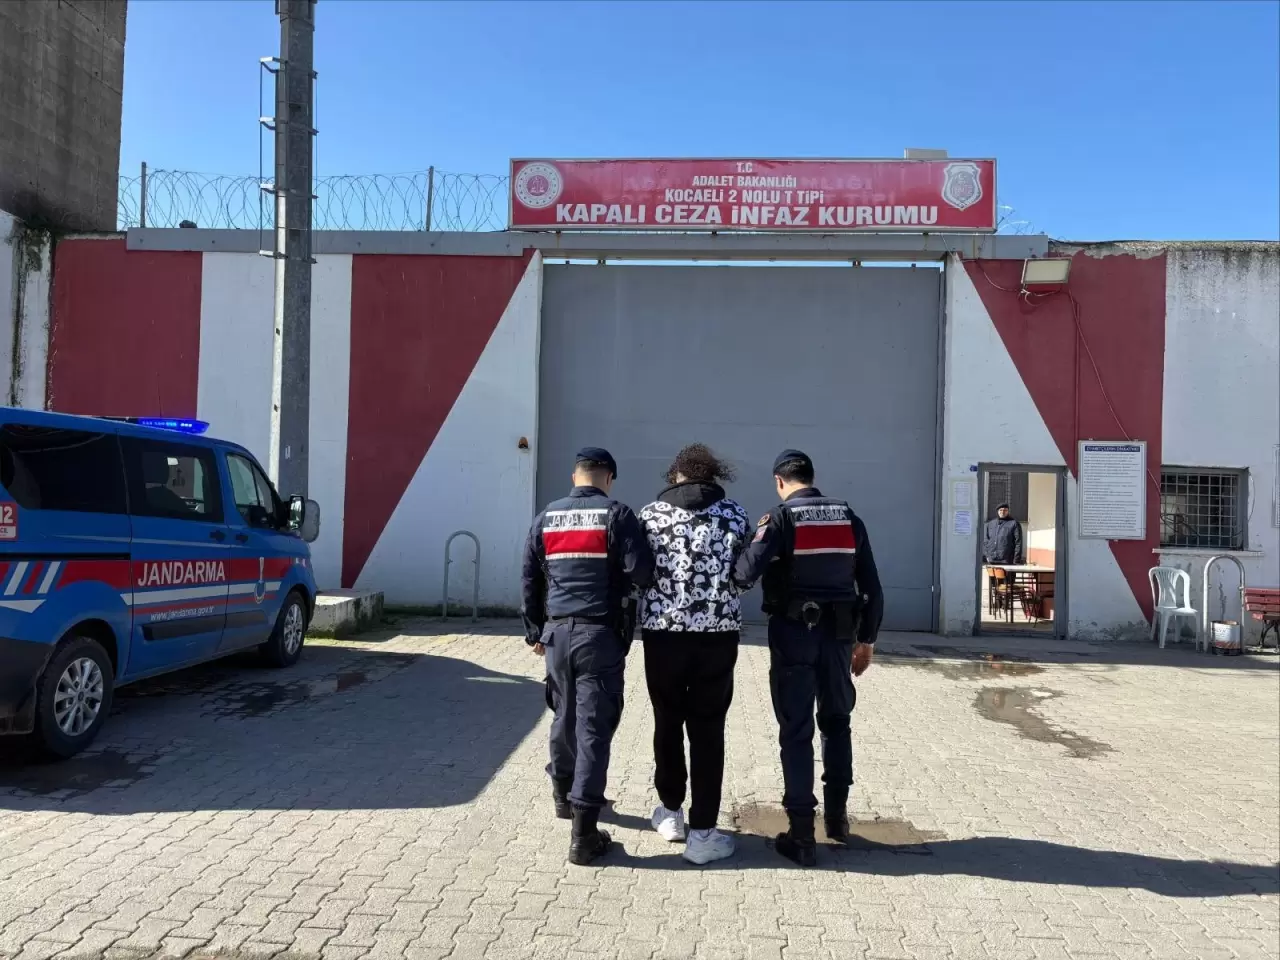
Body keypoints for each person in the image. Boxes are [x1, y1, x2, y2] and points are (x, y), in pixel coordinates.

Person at [733, 449, 884, 867]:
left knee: (796, 730)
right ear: (812, 478)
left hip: (794, 635)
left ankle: (801, 834)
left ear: (779, 481)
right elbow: (872, 586)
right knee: (837, 722)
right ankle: (837, 819)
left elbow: (744, 573)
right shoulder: (848, 517)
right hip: (839, 639)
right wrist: (867, 641)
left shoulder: (780, 518)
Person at [521, 447, 655, 865]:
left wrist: (534, 631)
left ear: (574, 475)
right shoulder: (617, 514)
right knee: (593, 726)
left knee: (563, 715)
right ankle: (584, 835)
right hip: (599, 635)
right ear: (609, 477)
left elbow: (529, 577)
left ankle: (563, 795)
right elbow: (642, 571)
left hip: (557, 635)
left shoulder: (546, 517)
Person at [637, 443, 751, 865]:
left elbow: (638, 571)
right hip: (717, 635)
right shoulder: (735, 515)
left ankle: (670, 813)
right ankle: (703, 833)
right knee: (708, 728)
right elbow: (745, 574)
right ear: (713, 476)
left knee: (667, 720)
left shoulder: (650, 515)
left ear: (676, 475)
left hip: (663, 634)